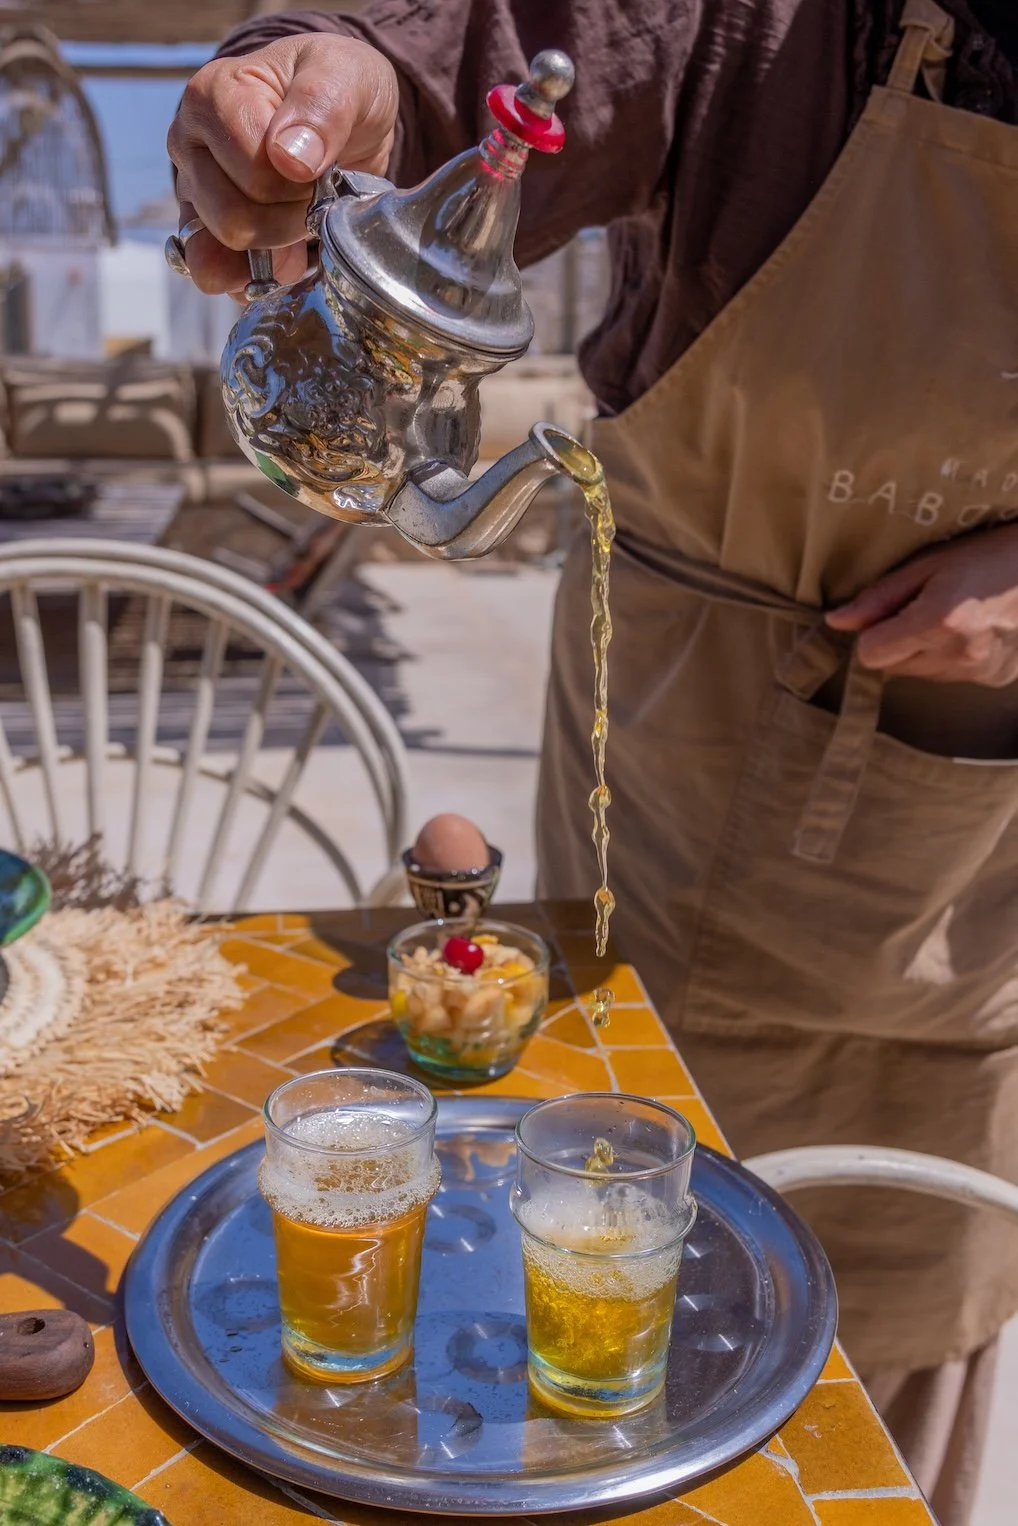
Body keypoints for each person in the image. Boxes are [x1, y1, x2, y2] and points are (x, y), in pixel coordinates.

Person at [168, 3, 1018, 1518]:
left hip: (948, 900)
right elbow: (522, 48)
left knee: (860, 1402)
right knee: (576, 1257)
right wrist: (350, 82)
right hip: (672, 751)